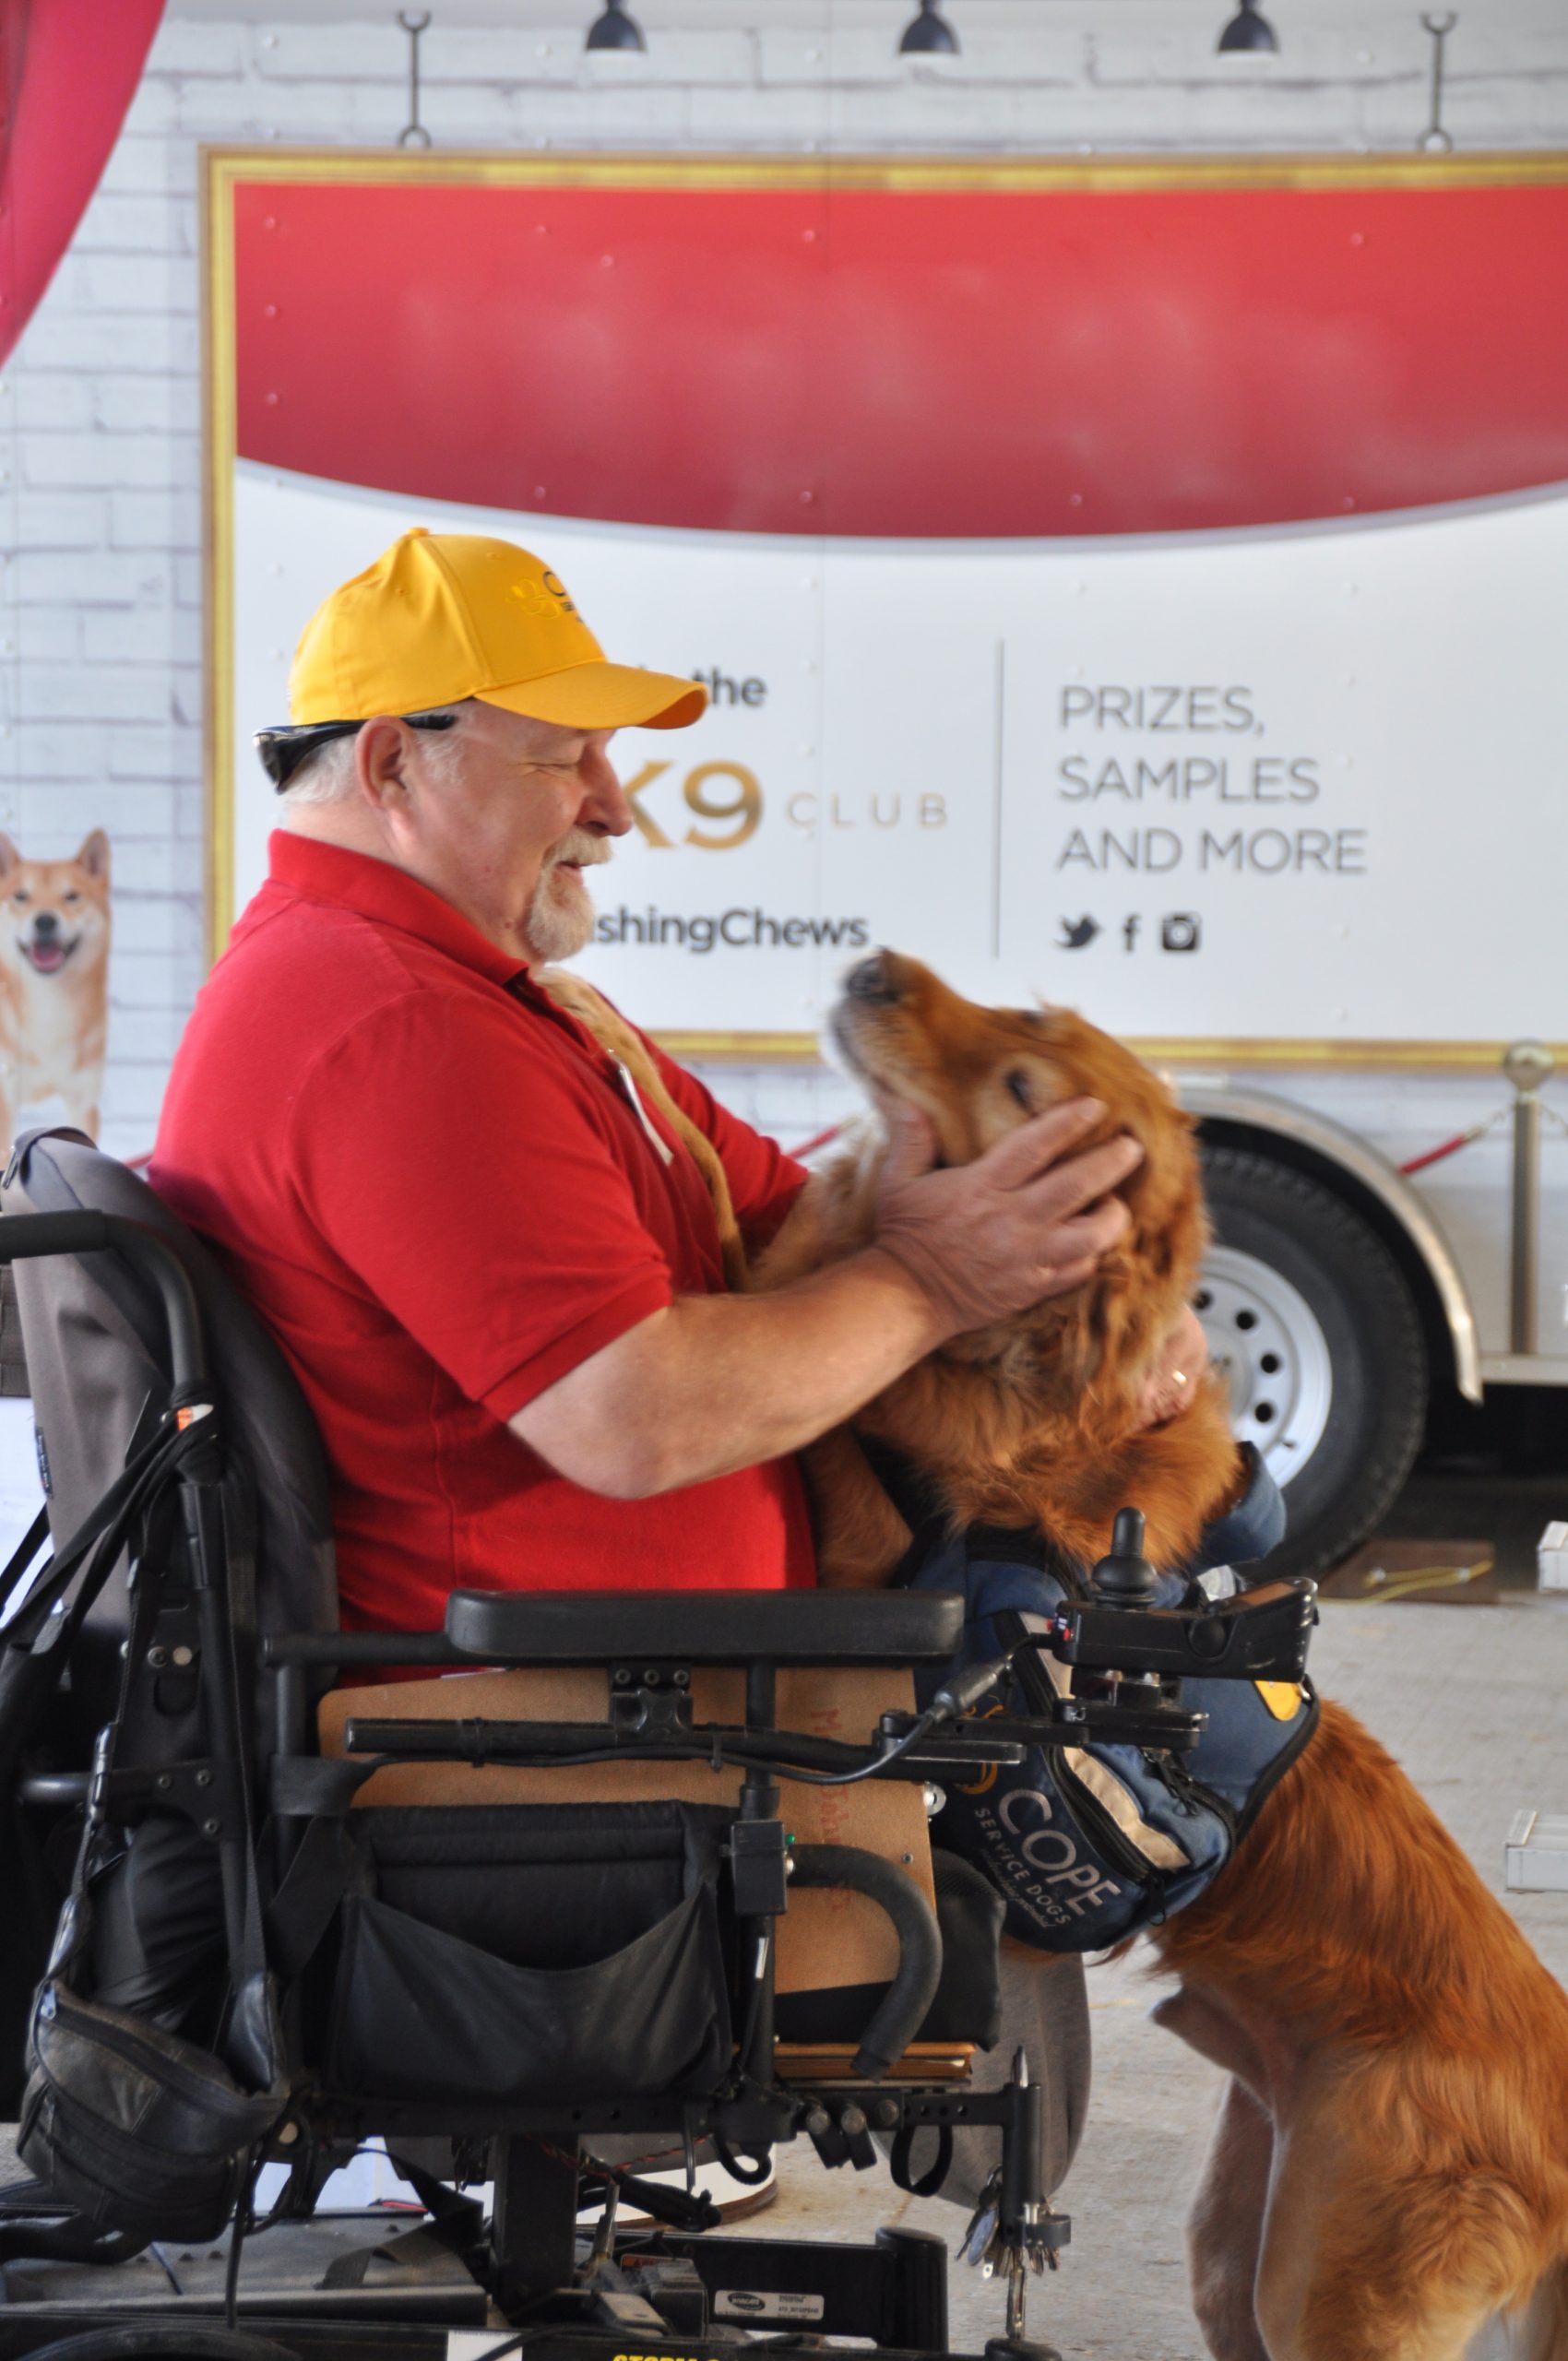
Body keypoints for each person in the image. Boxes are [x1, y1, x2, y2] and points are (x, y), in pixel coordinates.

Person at [151, 528, 1167, 1637]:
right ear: (394, 764)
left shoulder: (482, 998)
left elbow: (796, 1218)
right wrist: (930, 1281)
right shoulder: (402, 1026)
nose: (615, 804)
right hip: (571, 1725)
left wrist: (1120, 1312)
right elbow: (634, 1424)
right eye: (563, 757)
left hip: (686, 1680)